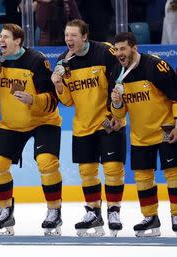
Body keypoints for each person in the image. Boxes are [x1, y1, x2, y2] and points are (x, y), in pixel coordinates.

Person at [0, 23, 63, 236]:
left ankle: (54, 211)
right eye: (0, 37)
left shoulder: (36, 61)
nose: (1, 40)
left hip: (43, 120)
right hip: (12, 123)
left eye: (6, 37)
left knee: (46, 162)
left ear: (18, 41)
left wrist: (33, 99)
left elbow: (53, 99)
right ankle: (6, 211)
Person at [50, 19, 126, 237]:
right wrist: (58, 85)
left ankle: (113, 211)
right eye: (66, 35)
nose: (69, 40)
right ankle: (93, 211)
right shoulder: (63, 62)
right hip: (83, 125)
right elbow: (67, 102)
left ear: (85, 36)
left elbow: (120, 82)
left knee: (112, 169)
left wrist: (116, 114)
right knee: (87, 173)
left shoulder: (105, 52)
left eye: (73, 35)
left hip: (108, 121)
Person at [110, 32, 177, 237]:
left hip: (166, 129)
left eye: (123, 48)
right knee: (143, 178)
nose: (119, 53)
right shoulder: (116, 73)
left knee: (173, 175)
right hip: (139, 134)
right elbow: (119, 115)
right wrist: (117, 102)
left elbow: (176, 95)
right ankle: (150, 217)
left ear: (134, 48)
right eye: (117, 49)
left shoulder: (155, 66)